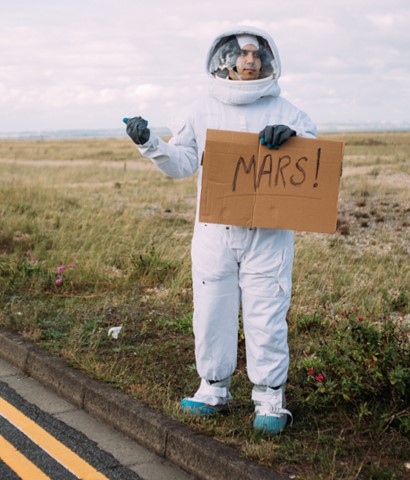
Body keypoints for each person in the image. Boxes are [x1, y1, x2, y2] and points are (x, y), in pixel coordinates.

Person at [124, 26, 316, 434]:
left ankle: (270, 398)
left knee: (267, 312)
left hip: (268, 234)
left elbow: (314, 157)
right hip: (215, 231)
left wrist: (294, 139)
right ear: (224, 58)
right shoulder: (201, 108)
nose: (250, 60)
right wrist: (149, 143)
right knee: (212, 309)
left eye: (256, 54)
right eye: (242, 53)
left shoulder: (286, 110)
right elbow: (182, 163)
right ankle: (212, 389)